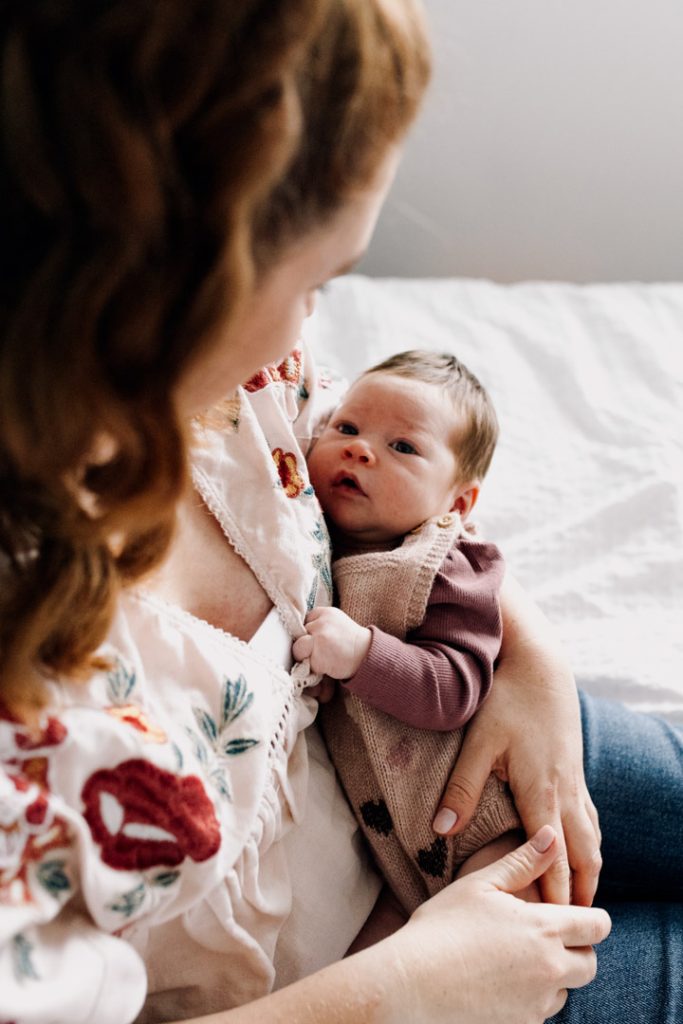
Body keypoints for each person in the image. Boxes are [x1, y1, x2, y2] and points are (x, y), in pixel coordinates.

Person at [0, 4, 679, 1024]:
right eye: (319, 278)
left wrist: (523, 653)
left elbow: (403, 503)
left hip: (462, 731)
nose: (315, 326)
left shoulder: (240, 389)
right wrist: (402, 992)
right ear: (165, 286)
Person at [295, 349, 525, 915]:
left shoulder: (446, 563)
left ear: (458, 501)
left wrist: (360, 657)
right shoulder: (312, 541)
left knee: (501, 936)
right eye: (346, 427)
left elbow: (456, 689)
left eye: (403, 447)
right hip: (398, 854)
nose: (359, 448)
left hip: (491, 817)